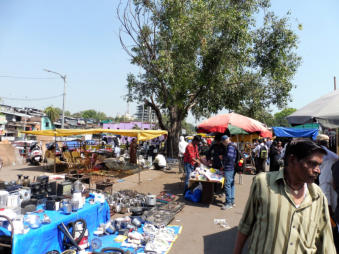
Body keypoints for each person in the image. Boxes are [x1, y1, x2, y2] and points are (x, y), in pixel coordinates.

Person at [233, 139, 336, 254]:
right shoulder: (263, 183)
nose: (318, 170)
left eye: (319, 165)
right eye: (312, 163)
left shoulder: (318, 196)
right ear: (292, 160)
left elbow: (326, 240)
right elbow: (246, 225)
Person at [221, 135, 237, 210]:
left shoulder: (230, 146)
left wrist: (223, 158)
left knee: (227, 185)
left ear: (225, 141)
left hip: (229, 168)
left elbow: (229, 157)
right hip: (232, 167)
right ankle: (232, 201)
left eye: (223, 142)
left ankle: (228, 203)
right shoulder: (233, 145)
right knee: (231, 184)